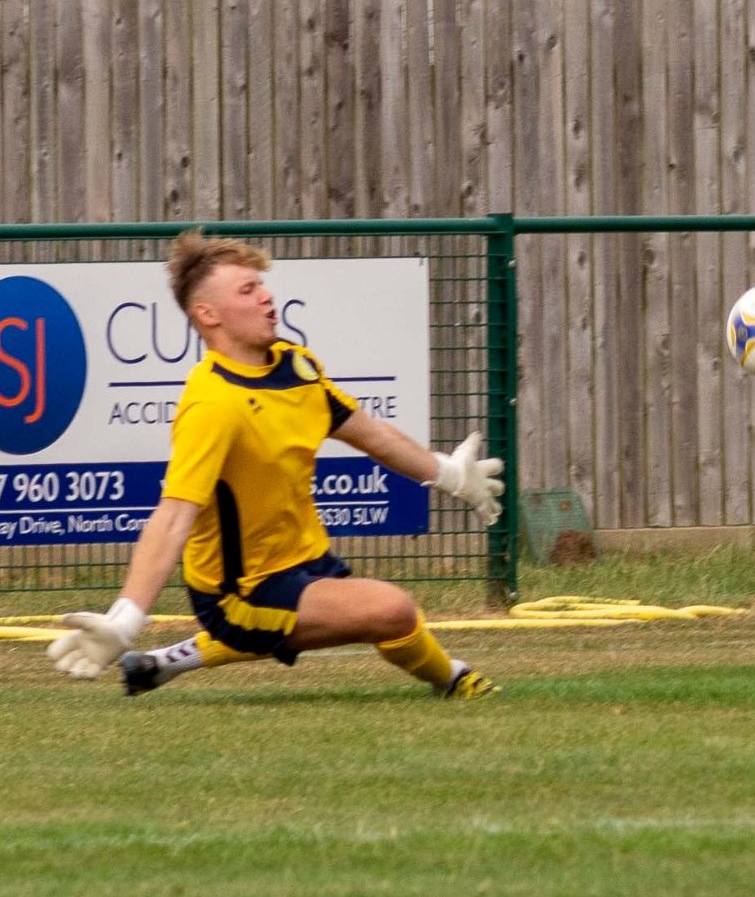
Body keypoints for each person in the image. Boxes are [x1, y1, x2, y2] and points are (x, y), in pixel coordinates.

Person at [47, 229, 507, 699]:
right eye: (247, 290)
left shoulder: (295, 364)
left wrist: (449, 473)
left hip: (305, 560)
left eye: (262, 285)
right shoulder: (213, 404)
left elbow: (372, 435)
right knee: (391, 611)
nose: (267, 296)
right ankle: (453, 679)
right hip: (240, 592)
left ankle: (162, 663)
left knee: (370, 617)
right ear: (208, 314)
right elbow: (173, 517)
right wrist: (125, 618)